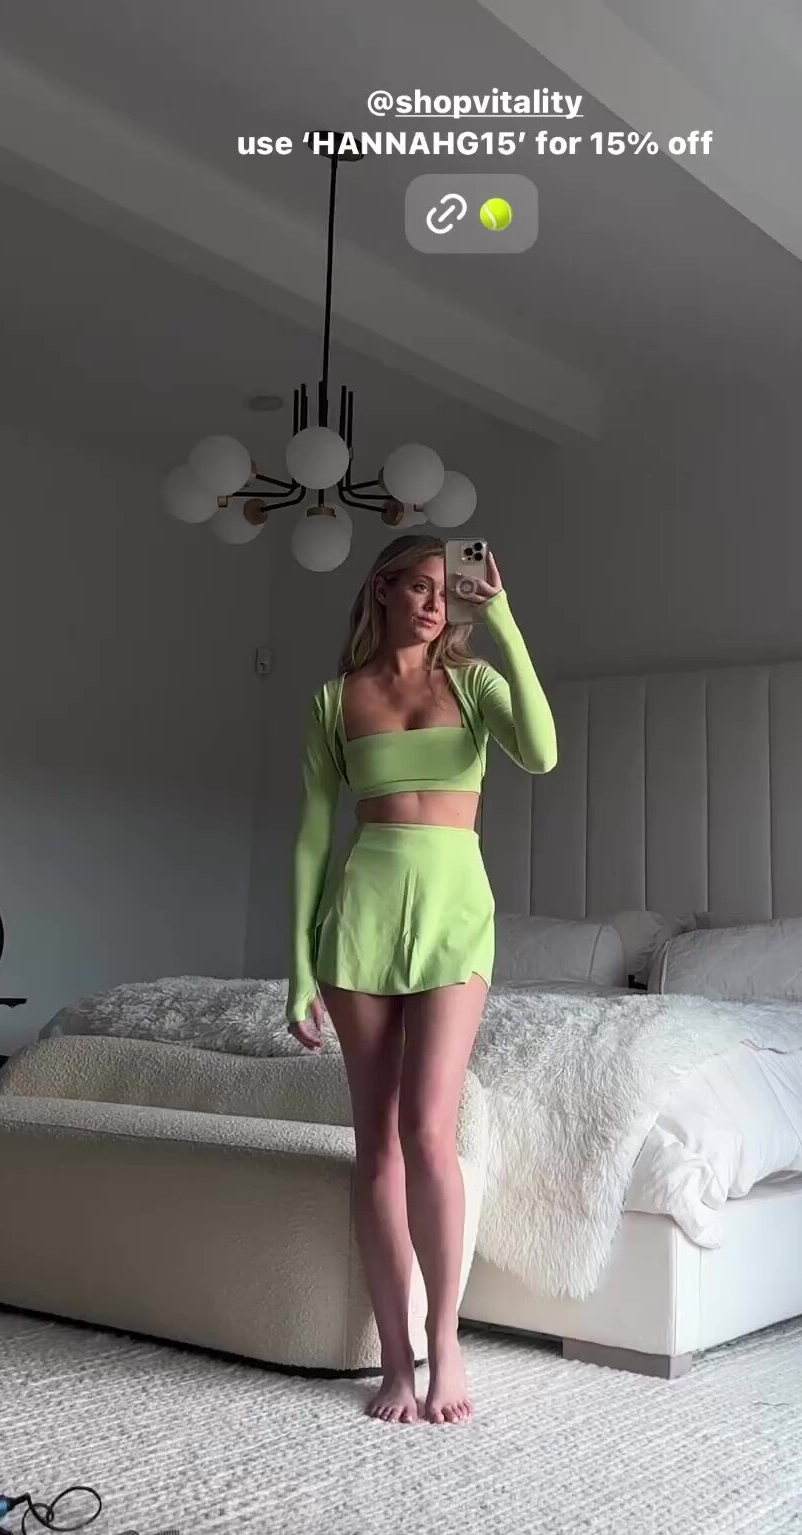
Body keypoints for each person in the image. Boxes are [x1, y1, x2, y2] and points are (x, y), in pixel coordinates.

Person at [286, 533, 557, 1425]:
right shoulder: (336, 699)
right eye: (420, 587)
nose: (437, 603)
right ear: (384, 590)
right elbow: (313, 836)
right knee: (375, 1145)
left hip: (453, 919)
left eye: (448, 590)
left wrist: (503, 620)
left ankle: (446, 1341)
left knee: (428, 1132)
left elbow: (542, 753)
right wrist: (297, 966)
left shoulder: (475, 686)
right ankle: (395, 1361)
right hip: (361, 916)